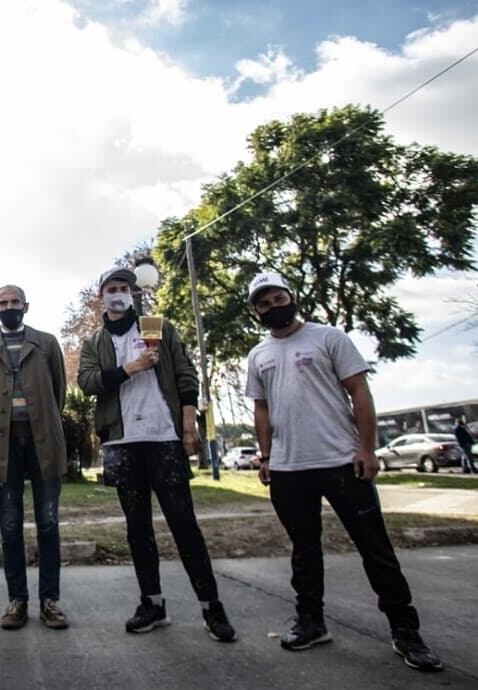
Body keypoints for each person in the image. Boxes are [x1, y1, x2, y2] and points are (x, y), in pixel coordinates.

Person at [245, 272, 443, 672]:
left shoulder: (328, 337)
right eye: (263, 304)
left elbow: (359, 392)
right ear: (256, 311)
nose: (273, 307)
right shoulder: (258, 355)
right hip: (288, 468)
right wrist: (266, 456)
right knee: (304, 551)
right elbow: (261, 408)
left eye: (278, 298)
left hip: (342, 462)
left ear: (292, 296)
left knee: (375, 549)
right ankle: (311, 622)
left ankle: (406, 631)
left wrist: (367, 449)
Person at [77, 266, 236, 642]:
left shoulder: (155, 326)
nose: (118, 293)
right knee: (138, 528)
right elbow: (87, 382)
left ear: (133, 293)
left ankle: (211, 606)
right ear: (102, 296)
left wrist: (188, 424)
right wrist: (129, 369)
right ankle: (152, 603)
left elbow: (185, 373)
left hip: (164, 438)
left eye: (124, 288)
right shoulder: (95, 342)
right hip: (121, 442)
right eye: (111, 288)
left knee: (184, 525)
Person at [0, 285, 70, 630]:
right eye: (3, 303)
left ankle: (50, 601)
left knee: (48, 522)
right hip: (4, 446)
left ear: (26, 306)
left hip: (43, 443)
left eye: (15, 302)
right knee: (10, 525)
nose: (9, 307)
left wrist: (44, 422)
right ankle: (17, 601)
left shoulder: (47, 343)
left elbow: (59, 394)